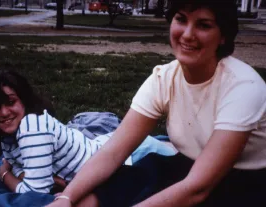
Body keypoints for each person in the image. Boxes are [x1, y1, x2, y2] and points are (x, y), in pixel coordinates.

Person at [46, 0, 266, 206]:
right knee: (132, 176)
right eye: (181, 19)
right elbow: (112, 152)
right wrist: (67, 196)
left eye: (204, 25)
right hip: (187, 166)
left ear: (223, 36)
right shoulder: (164, 78)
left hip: (243, 182)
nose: (188, 35)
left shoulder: (243, 86)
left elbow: (198, 188)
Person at [0, 70, 176, 194]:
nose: (4, 112)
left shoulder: (31, 129)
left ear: (23, 101)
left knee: (188, 158)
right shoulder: (10, 134)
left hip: (129, 156)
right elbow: (19, 166)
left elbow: (34, 193)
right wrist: (26, 174)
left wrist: (4, 175)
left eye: (10, 102)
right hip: (105, 148)